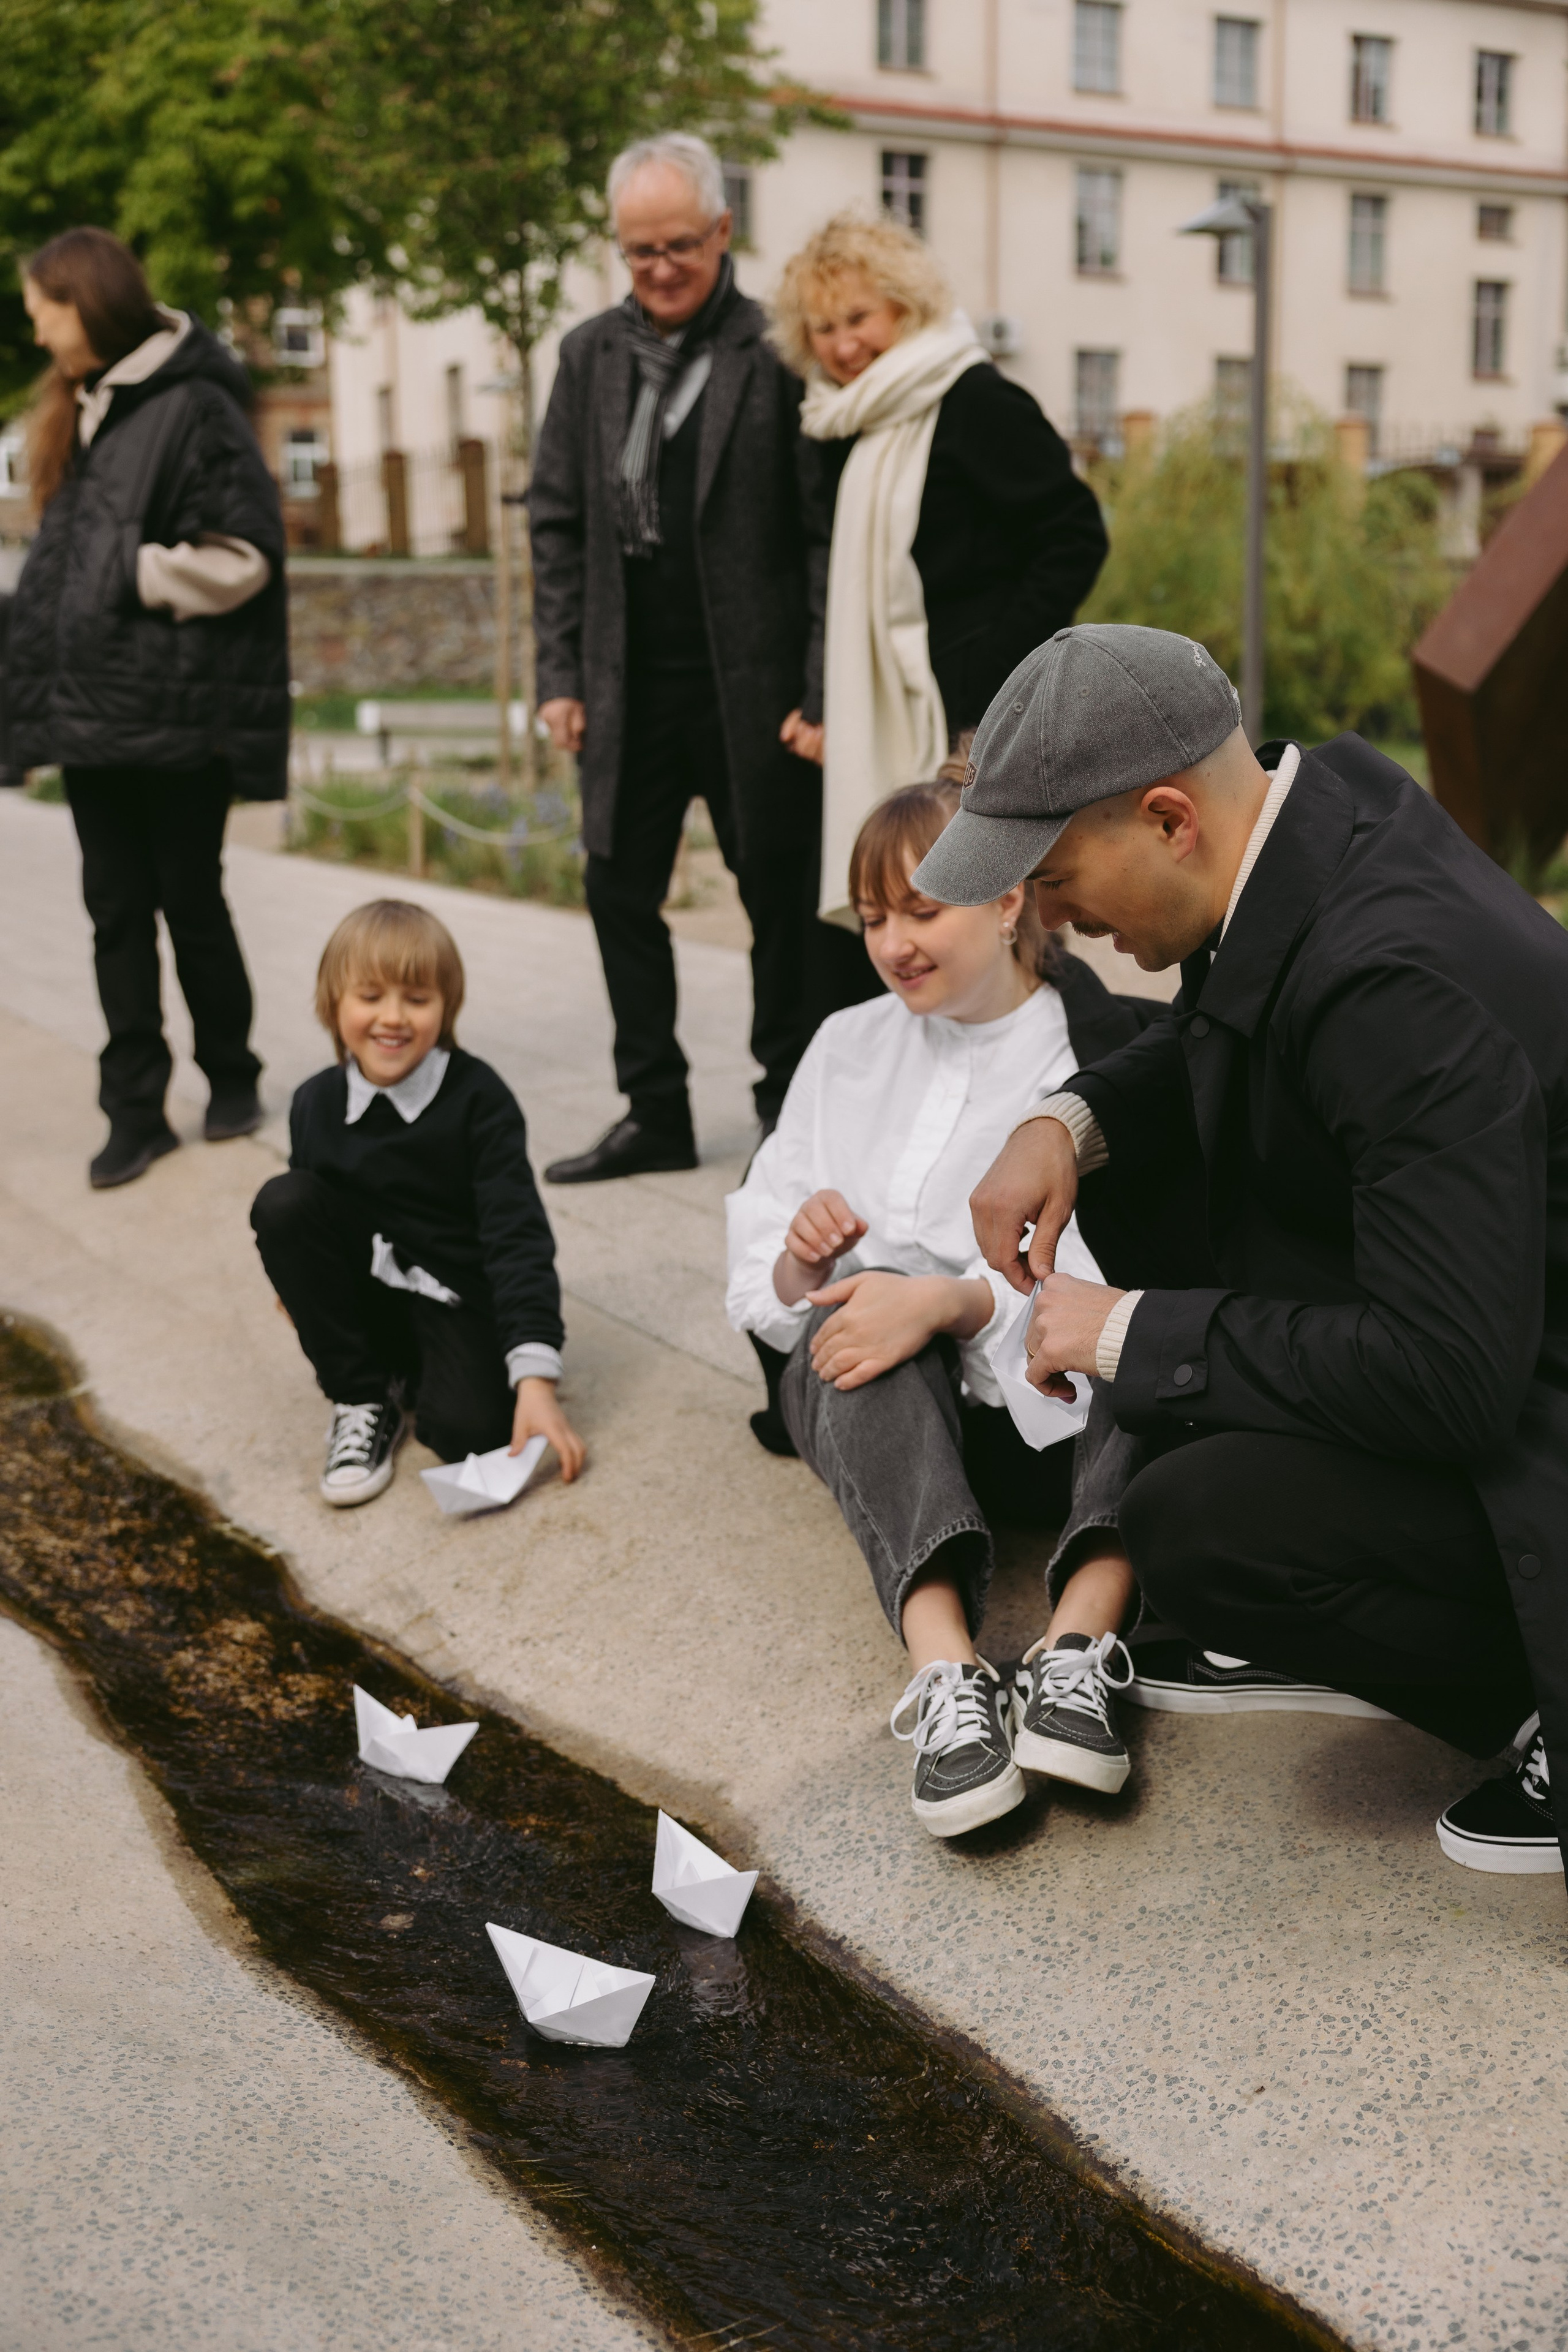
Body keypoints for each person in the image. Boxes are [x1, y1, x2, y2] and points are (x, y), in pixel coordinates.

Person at [916, 620, 1568, 1882]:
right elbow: (1234, 1017)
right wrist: (1066, 1120)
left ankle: (1534, 1697)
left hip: (1527, 1390)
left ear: (1167, 820)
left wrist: (1120, 1329)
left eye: (1053, 882)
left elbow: (1447, 1374)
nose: (1050, 919)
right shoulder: (1314, 818)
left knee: (1195, 1530)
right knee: (1153, 1159)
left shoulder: (1394, 987)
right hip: (1498, 1307)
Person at [727, 778, 1163, 1838]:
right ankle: (952, 1677)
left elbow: (1117, 1265)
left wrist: (958, 1302)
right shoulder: (845, 1047)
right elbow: (757, 1281)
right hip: (898, 1428)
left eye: (921, 911)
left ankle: (1077, 1654)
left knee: (1155, 1335)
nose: (892, 944)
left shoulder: (1101, 1056)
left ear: (1009, 899)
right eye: (874, 919)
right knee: (852, 1322)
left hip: (1057, 1424)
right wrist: (799, 1261)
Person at [530, 134, 825, 1183]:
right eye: (638, 249)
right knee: (618, 894)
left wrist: (818, 688)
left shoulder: (778, 349)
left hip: (753, 688)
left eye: (679, 246)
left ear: (722, 233)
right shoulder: (587, 356)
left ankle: (788, 1113)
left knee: (778, 902)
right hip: (624, 683)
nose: (658, 268)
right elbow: (558, 525)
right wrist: (558, 674)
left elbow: (818, 532)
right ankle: (652, 1110)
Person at [0, 226, 288, 1190]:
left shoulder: (196, 405)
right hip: (93, 717)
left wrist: (133, 572)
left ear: (85, 302)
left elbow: (248, 554)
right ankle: (135, 1112)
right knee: (113, 915)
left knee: (191, 903)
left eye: (43, 308)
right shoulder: (82, 411)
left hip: (174, 714)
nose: (37, 331)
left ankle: (232, 1078)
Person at [770, 211, 1107, 923]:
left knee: (997, 920)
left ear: (904, 301)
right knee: (911, 912)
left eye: (858, 317)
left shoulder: (973, 399)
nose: (843, 345)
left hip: (975, 721)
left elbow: (1074, 535)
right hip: (897, 706)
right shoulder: (837, 425)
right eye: (823, 330)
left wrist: (992, 666)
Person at [250, 900, 584, 1509]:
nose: (393, 1018)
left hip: (455, 1292)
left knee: (471, 1431)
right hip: (371, 1292)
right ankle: (361, 1396)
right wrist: (300, 1289)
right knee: (283, 1201)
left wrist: (534, 1378)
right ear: (333, 1004)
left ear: (446, 1007)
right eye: (370, 996)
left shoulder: (480, 1099)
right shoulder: (314, 1102)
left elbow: (518, 1238)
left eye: (417, 998)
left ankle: (415, 1374)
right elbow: (308, 1214)